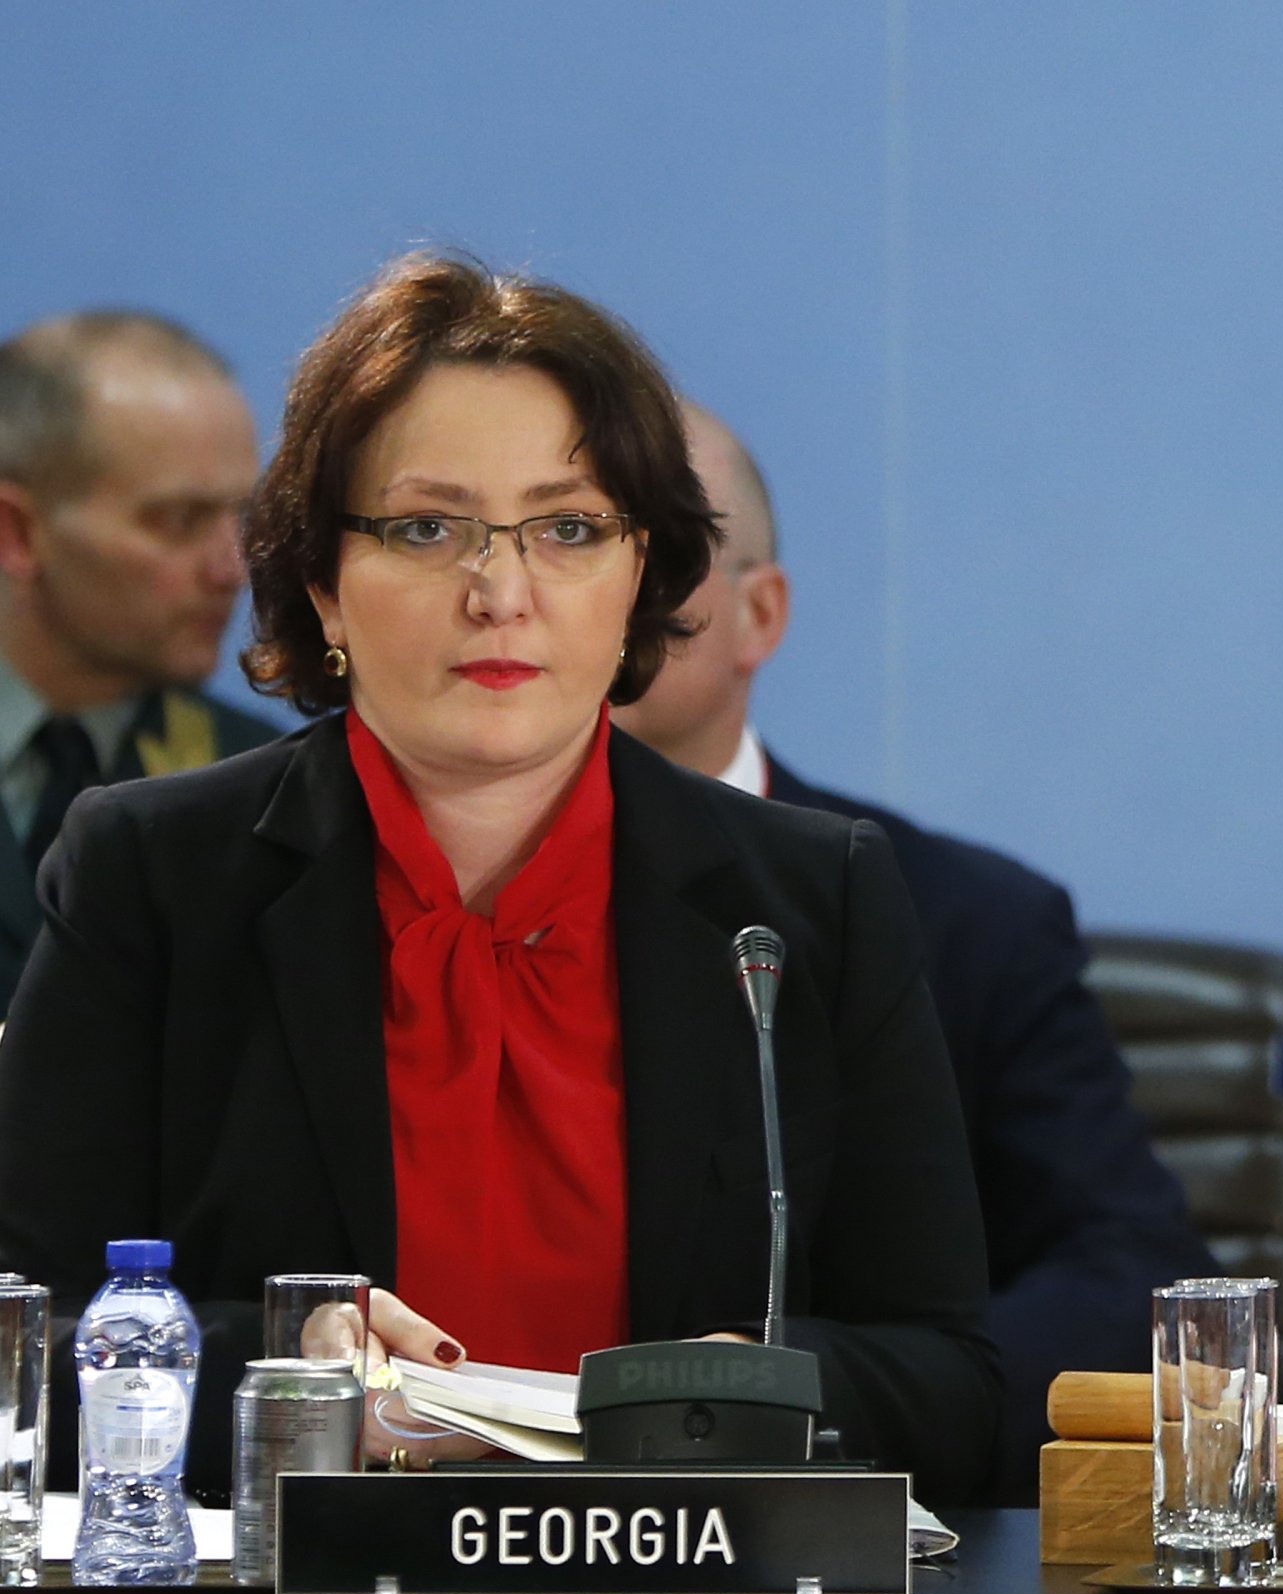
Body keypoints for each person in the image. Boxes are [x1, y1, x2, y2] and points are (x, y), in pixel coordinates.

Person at [0, 256, 1000, 1504]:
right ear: (323, 583)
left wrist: (761, 1388)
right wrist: (287, 1366)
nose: (501, 592)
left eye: (569, 528)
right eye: (427, 529)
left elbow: (953, 1378)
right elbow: (25, 1339)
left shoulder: (809, 901)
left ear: (642, 574)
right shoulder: (152, 874)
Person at [614, 401, 1214, 1500]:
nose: (603, 598)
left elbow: (1127, 1268)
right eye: (574, 540)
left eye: (656, 555)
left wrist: (868, 1392)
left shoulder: (965, 919)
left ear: (761, 612)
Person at [0, 311, 283, 1003]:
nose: (231, 569)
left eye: (240, 518)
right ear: (17, 533)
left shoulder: (261, 794)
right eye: (179, 521)